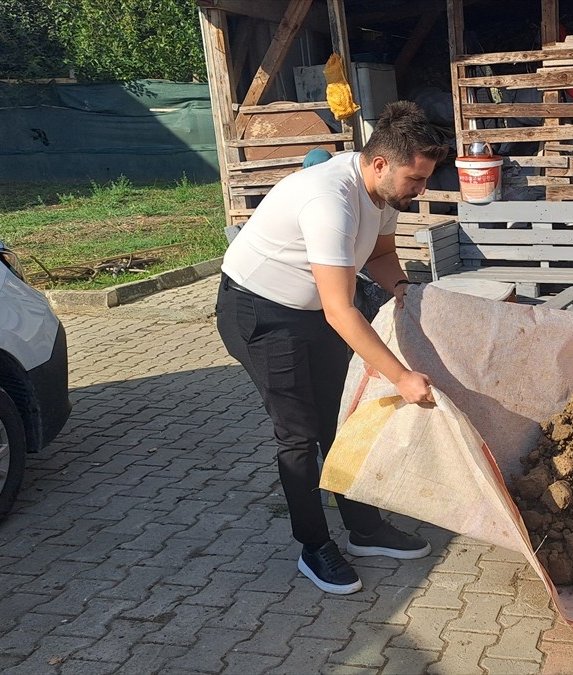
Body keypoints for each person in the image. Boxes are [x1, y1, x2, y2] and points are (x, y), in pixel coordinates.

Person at [216, 101, 451, 595]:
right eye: (416, 179)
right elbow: (340, 312)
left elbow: (382, 255)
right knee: (299, 434)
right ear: (381, 163)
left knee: (340, 419)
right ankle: (314, 546)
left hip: (311, 309)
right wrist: (401, 377)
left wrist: (405, 291)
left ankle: (365, 529)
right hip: (260, 313)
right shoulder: (330, 200)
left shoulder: (384, 196)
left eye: (425, 179)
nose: (421, 190)